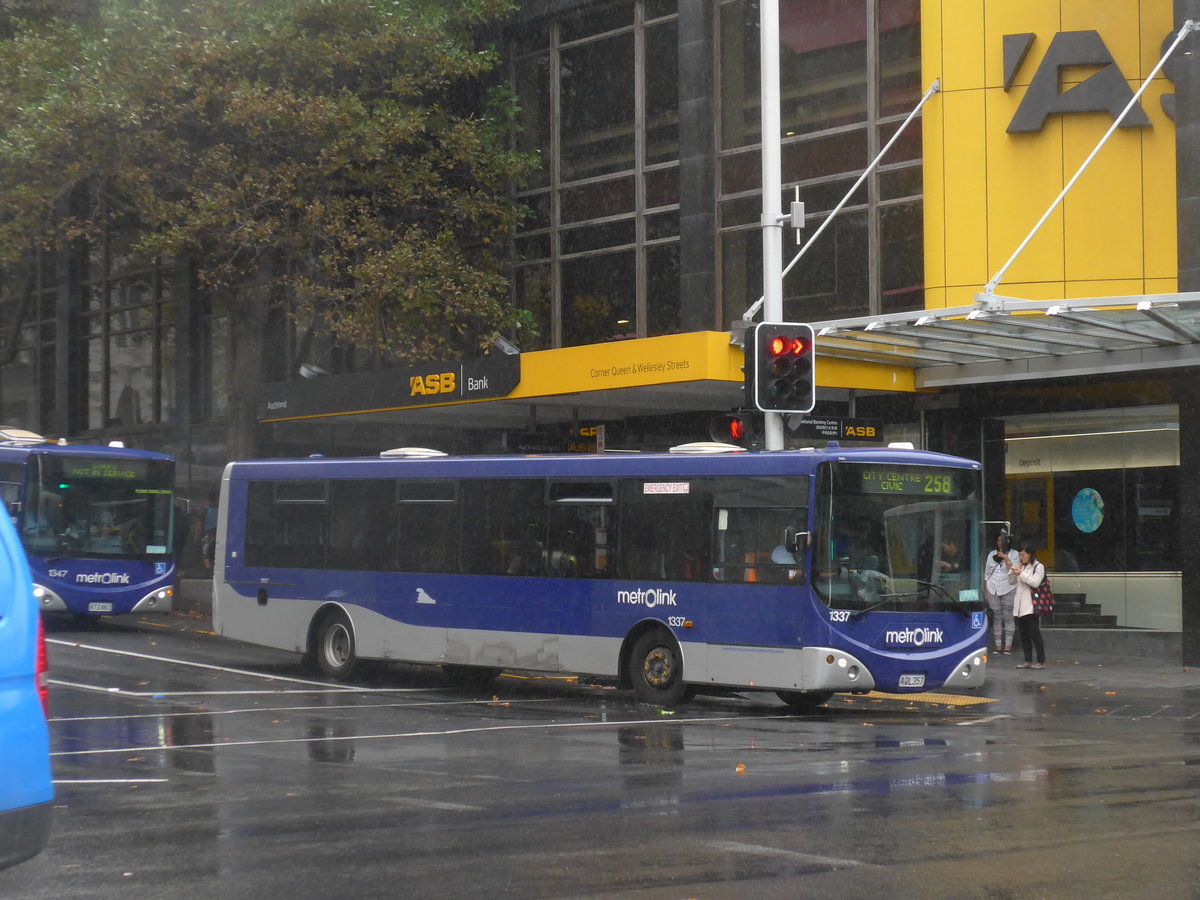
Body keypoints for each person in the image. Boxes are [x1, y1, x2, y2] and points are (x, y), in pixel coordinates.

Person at [1012, 540, 1048, 669]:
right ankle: (1027, 660)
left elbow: (1035, 583)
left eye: (1023, 555)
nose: (1021, 558)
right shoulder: (1022, 566)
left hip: (1031, 606)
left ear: (1030, 554)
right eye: (1020, 555)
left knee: (1034, 633)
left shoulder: (1039, 567)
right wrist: (1013, 571)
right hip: (1020, 606)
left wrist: (1021, 573)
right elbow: (1011, 582)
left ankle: (1041, 660)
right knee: (1024, 634)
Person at [983, 532, 1019, 655]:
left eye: (1002, 541)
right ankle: (998, 645)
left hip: (1008, 588)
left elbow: (1013, 571)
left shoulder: (1014, 554)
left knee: (1008, 616)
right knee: (997, 616)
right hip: (993, 588)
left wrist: (1005, 557)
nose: (1000, 543)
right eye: (998, 541)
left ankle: (1008, 645)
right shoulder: (991, 555)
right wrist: (985, 592)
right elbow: (987, 575)